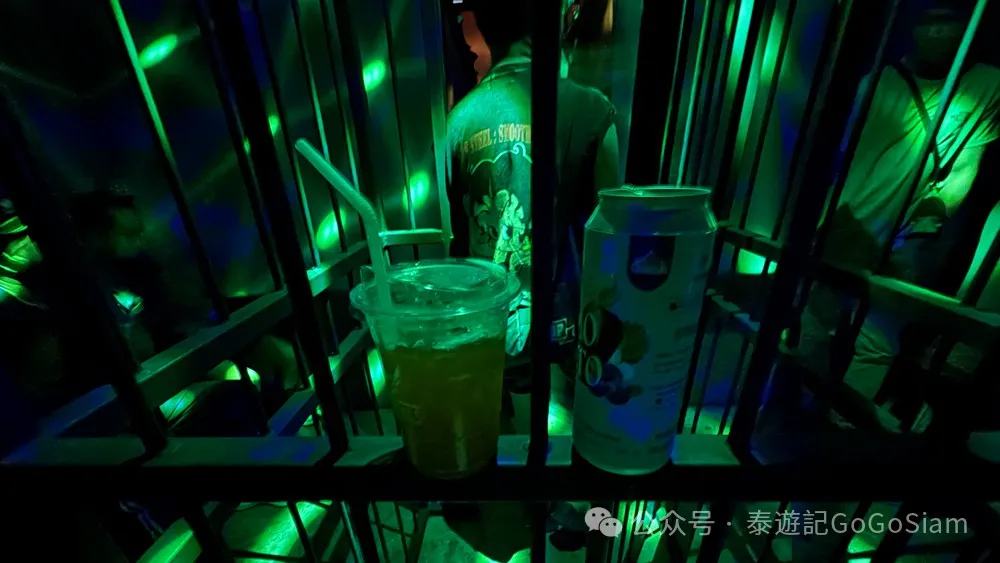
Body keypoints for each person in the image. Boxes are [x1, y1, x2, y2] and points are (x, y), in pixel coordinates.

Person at [796, 4, 1000, 416]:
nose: (938, 32)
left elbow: (966, 165)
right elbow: (840, 160)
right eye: (930, 21)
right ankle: (803, 409)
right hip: (847, 225)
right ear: (912, 27)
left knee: (877, 342)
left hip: (907, 238)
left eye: (948, 20)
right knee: (816, 325)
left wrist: (926, 223)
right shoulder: (874, 84)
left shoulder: (988, 84)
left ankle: (844, 427)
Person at [447, 0, 620, 433]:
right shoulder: (592, 110)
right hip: (569, 341)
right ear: (556, 18)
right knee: (566, 447)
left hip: (487, 339)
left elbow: (457, 243)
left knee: (500, 452)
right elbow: (613, 241)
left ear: (485, 25)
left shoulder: (457, 122)